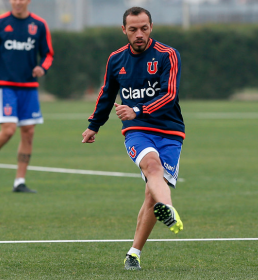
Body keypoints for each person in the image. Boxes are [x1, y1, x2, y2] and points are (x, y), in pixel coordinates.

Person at [82, 6, 185, 271]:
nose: (139, 34)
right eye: (133, 29)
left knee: (152, 193)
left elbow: (169, 94)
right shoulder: (116, 59)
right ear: (124, 30)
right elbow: (107, 93)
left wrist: (137, 108)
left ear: (151, 27)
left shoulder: (168, 55)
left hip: (170, 130)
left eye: (144, 28)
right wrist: (94, 125)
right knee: (152, 167)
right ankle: (169, 209)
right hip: (136, 129)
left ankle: (134, 253)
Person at [0, 0, 54, 193]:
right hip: (5, 87)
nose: (18, 2)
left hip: (29, 88)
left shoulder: (39, 25)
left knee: (28, 132)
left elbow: (48, 54)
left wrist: (42, 68)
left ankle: (19, 182)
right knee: (8, 130)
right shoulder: (0, 23)